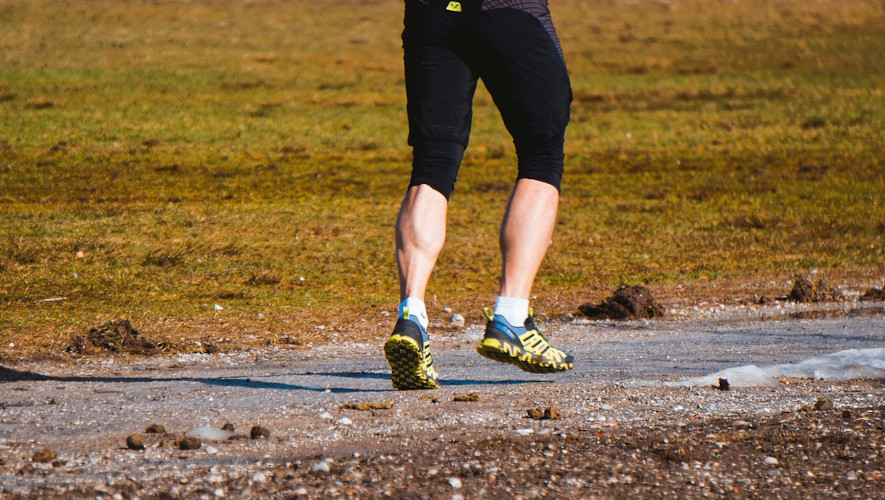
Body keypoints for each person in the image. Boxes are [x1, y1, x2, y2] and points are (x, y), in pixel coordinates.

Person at [384, 0, 575, 390]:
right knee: (542, 154)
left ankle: (411, 316)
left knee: (432, 164)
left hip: (430, 14)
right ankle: (511, 316)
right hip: (507, 10)